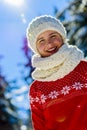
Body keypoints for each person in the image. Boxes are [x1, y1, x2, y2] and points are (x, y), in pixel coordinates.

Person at [26, 15, 87, 130]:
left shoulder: (83, 69)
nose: (49, 44)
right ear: (36, 48)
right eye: (41, 41)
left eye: (53, 36)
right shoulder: (37, 88)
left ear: (62, 37)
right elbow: (40, 126)